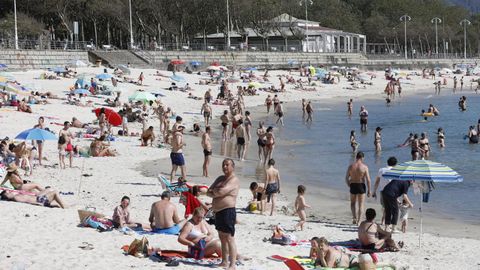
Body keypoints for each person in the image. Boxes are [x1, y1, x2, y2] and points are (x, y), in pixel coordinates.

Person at [207, 159, 240, 270]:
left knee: (229, 238)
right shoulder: (220, 178)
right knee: (222, 237)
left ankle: (232, 264)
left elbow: (220, 192)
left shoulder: (233, 179)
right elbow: (208, 191)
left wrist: (215, 191)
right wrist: (216, 191)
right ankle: (224, 261)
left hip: (228, 211)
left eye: (227, 165)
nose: (225, 167)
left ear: (232, 167)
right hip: (218, 212)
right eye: (223, 165)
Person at [345, 151, 371, 225]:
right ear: (362, 158)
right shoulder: (365, 167)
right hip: (361, 185)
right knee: (361, 204)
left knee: (352, 203)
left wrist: (349, 185)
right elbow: (368, 180)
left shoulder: (351, 166)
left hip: (353, 185)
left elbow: (346, 178)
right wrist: (369, 190)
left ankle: (354, 218)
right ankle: (359, 221)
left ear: (356, 157)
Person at [372, 156, 397, 224]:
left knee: (385, 207)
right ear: (395, 164)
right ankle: (387, 222)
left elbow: (377, 181)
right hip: (392, 192)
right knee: (392, 208)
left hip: (382, 191)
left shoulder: (381, 170)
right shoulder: (395, 171)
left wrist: (374, 191)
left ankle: (383, 221)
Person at [0, 188, 66, 208]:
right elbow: (30, 202)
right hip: (39, 201)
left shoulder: (17, 196)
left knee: (48, 189)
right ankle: (65, 207)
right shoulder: (16, 197)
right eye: (8, 192)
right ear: (7, 196)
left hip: (38, 198)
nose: (10, 191)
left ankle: (60, 204)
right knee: (55, 192)